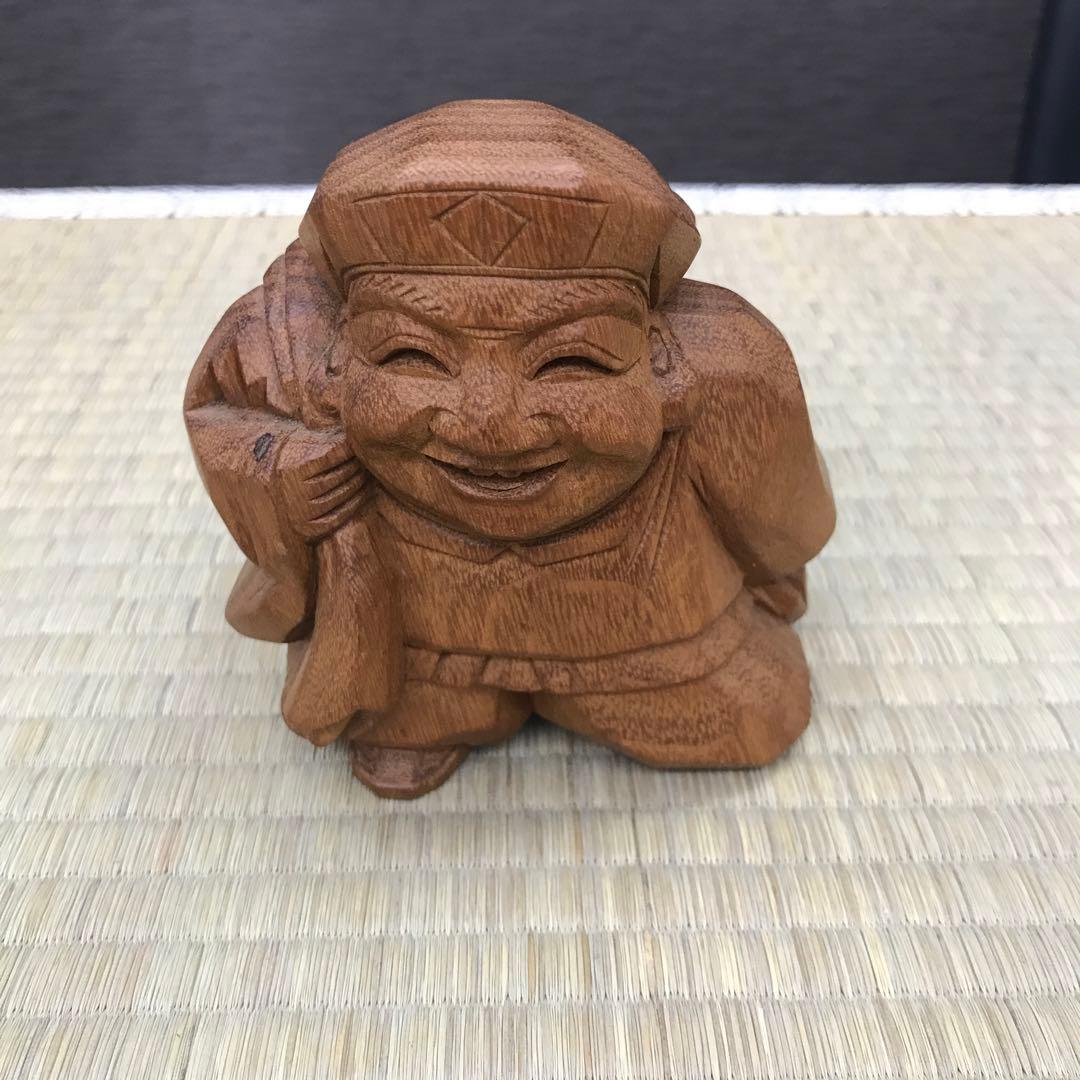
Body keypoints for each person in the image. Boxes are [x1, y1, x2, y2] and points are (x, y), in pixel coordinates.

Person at [185, 100, 835, 798]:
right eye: (412, 355)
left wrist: (766, 580)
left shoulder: (730, 371)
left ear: (662, 358)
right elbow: (220, 417)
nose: (489, 425)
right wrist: (279, 473)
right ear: (339, 358)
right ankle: (435, 712)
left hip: (655, 645)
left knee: (746, 715)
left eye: (569, 361)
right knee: (403, 714)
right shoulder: (283, 351)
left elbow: (785, 527)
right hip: (421, 650)